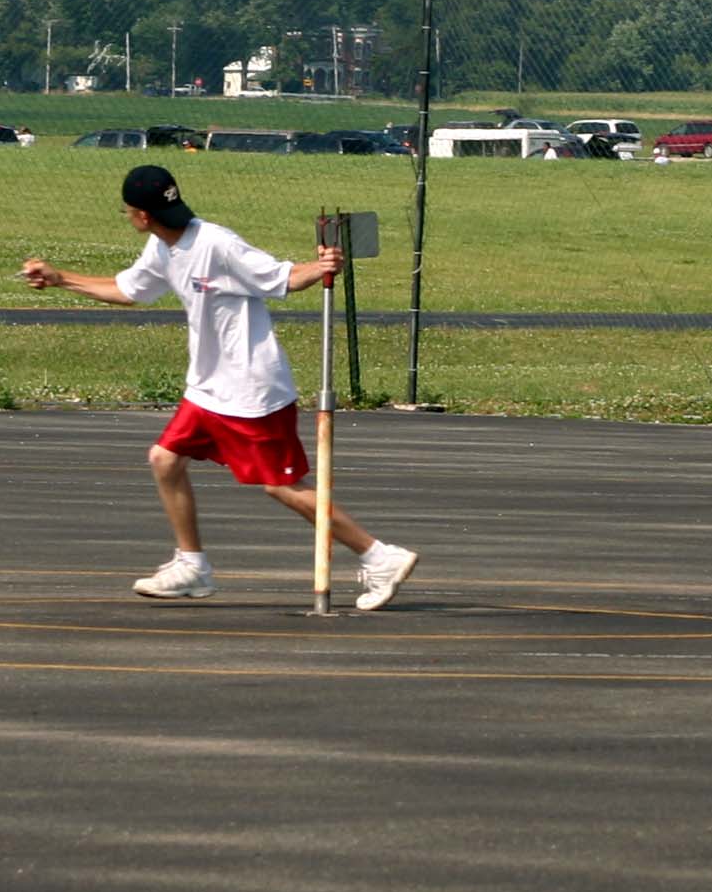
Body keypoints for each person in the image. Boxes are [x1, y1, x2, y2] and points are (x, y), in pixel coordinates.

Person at [21, 164, 419, 609]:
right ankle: (192, 565)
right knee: (165, 459)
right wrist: (61, 279)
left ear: (141, 215)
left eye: (128, 211)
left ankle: (379, 556)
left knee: (282, 486)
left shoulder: (216, 243)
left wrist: (322, 266)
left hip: (251, 391)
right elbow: (129, 290)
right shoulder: (162, 246)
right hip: (208, 388)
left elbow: (281, 277)